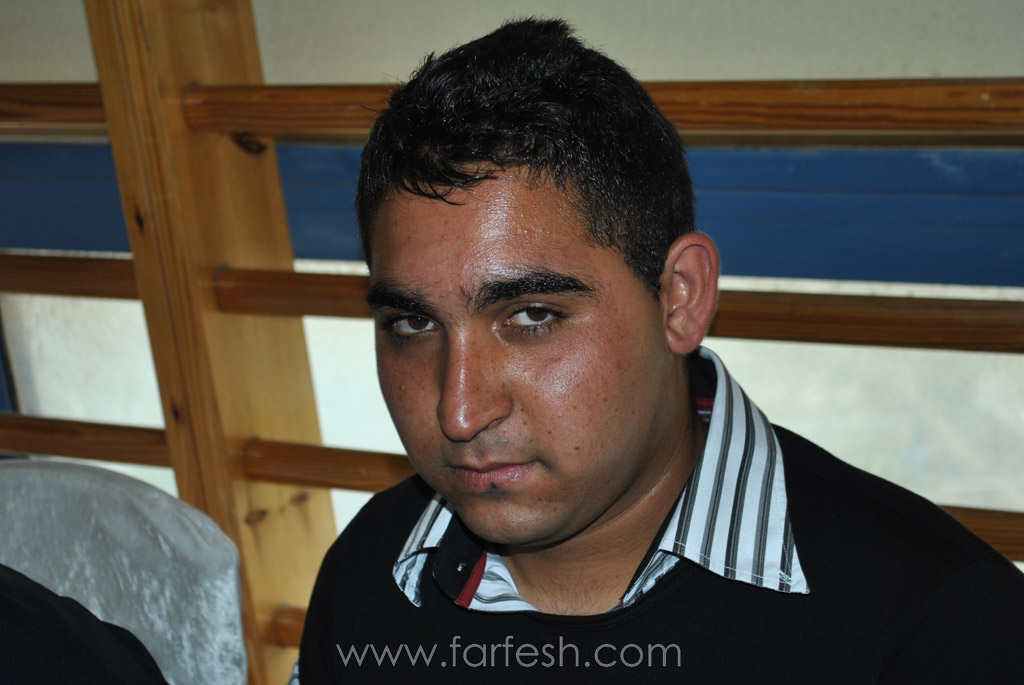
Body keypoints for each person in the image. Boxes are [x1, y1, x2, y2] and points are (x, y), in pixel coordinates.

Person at [297, 18, 1024, 683]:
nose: (459, 412)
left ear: (679, 298)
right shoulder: (370, 570)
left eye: (533, 315)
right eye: (412, 324)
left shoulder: (942, 630)